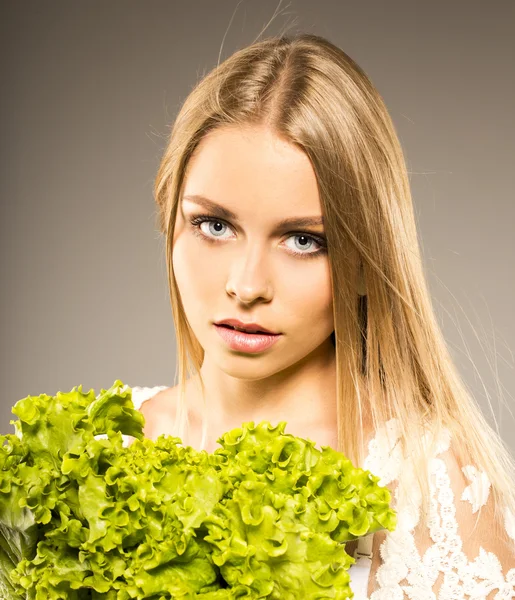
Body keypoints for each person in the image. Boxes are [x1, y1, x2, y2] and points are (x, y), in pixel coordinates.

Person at [129, 33, 515, 597]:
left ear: (365, 258)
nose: (247, 285)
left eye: (304, 241)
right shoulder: (104, 446)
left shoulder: (423, 484)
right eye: (215, 225)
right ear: (170, 219)